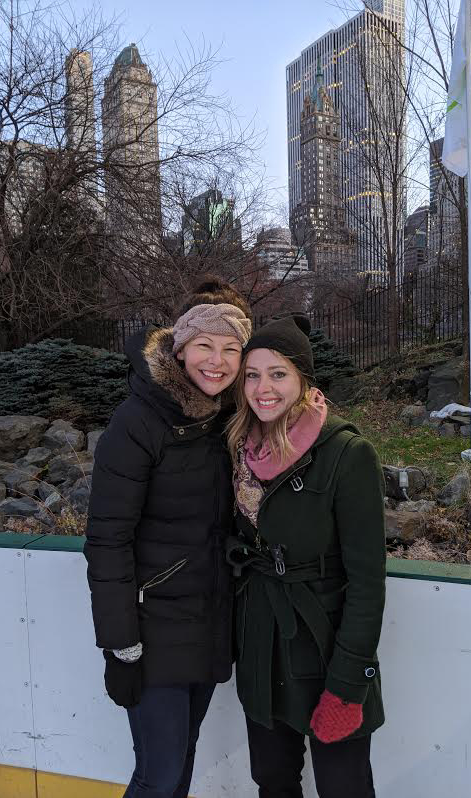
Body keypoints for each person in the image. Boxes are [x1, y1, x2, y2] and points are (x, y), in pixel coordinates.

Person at [84, 278, 252, 798]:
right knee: (157, 774)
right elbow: (107, 538)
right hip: (152, 630)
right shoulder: (138, 421)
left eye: (231, 348)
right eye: (205, 345)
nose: (217, 361)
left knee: (181, 763)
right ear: (180, 349)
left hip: (207, 619)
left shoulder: (234, 417)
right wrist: (121, 645)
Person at [226, 314, 386, 798]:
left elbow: (367, 583)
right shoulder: (238, 447)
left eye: (278, 374)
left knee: (344, 788)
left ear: (302, 381)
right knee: (273, 782)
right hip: (261, 646)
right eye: (252, 374)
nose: (263, 388)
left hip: (322, 649)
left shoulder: (347, 453)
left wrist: (347, 685)